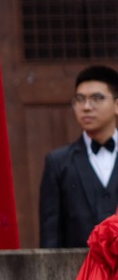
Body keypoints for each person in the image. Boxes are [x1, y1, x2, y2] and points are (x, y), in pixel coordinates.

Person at [40, 64, 118, 248]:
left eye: (97, 98)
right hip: (80, 265)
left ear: (117, 105)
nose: (86, 107)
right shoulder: (57, 162)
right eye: (80, 99)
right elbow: (50, 236)